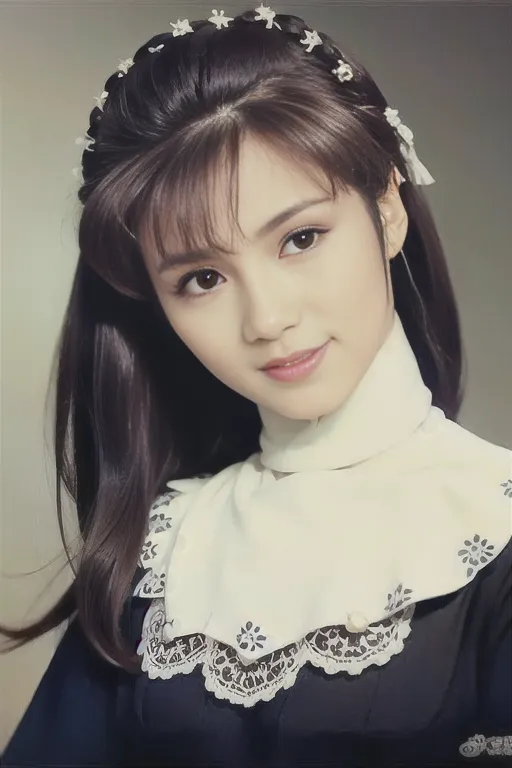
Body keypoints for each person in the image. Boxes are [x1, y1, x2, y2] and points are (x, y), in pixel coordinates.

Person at [1, 5, 511, 767]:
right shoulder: (164, 556)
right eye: (202, 278)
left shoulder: (491, 530)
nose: (267, 319)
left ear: (388, 207)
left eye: (300, 239)